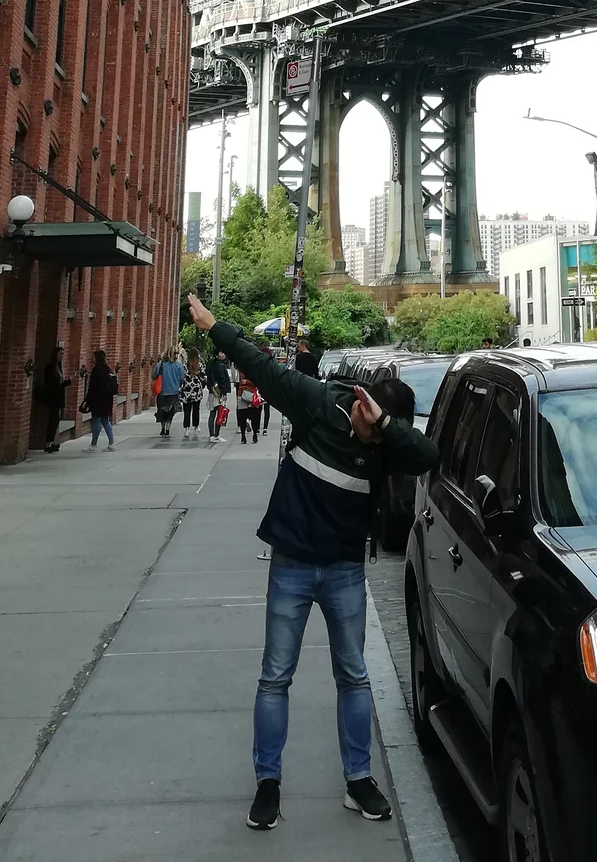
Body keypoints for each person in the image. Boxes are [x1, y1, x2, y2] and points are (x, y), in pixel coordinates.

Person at [187, 292, 437, 831]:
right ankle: (268, 785)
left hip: (346, 569)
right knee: (276, 677)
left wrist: (387, 428)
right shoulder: (317, 404)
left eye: (381, 430)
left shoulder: (387, 441)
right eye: (371, 424)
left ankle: (358, 780)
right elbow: (260, 364)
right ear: (357, 403)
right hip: (294, 564)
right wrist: (213, 326)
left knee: (354, 675)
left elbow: (427, 457)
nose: (373, 439)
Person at [85, 349, 118, 450]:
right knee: (105, 421)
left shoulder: (97, 370)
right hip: (106, 399)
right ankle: (111, 443)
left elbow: (92, 387)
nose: (92, 359)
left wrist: (87, 400)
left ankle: (93, 444)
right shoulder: (107, 369)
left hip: (97, 399)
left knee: (96, 421)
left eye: (94, 357)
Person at [40, 346, 70, 453]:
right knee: (53, 420)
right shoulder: (50, 367)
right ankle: (48, 443)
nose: (62, 356)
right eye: (61, 354)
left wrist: (66, 383)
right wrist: (64, 384)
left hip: (58, 397)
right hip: (52, 397)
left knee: (55, 420)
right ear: (55, 354)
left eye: (63, 354)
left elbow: (59, 384)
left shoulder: (59, 366)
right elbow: (51, 384)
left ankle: (51, 442)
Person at [155, 346, 185, 440]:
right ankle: (168, 429)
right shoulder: (178, 365)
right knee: (170, 412)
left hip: (162, 391)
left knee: (162, 410)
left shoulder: (161, 364)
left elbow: (153, 375)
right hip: (174, 392)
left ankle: (163, 428)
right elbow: (182, 378)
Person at [207, 348, 232, 445]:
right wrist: (224, 391)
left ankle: (212, 435)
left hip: (212, 391)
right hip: (219, 392)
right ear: (217, 355)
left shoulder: (211, 364)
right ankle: (216, 434)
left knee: (212, 413)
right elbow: (222, 379)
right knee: (220, 413)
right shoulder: (220, 366)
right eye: (221, 353)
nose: (223, 354)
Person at [180, 352, 206, 441]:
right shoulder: (200, 365)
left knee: (186, 411)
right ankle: (196, 427)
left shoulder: (185, 365)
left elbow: (182, 378)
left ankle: (187, 429)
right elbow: (203, 378)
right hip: (196, 391)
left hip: (186, 391)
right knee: (196, 410)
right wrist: (201, 386)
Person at [237, 374, 263, 444]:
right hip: (244, 394)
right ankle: (244, 436)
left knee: (253, 416)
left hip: (251, 395)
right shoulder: (246, 370)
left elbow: (256, 381)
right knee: (242, 416)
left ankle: (253, 434)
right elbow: (243, 381)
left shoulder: (254, 370)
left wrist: (246, 382)